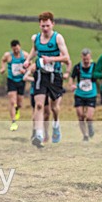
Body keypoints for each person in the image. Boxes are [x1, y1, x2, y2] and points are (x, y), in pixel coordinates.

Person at [23, 11, 71, 148]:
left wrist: (51, 59)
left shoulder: (58, 38)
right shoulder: (37, 38)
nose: (45, 28)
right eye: (43, 26)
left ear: (53, 24)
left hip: (55, 75)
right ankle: (39, 134)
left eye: (47, 26)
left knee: (54, 107)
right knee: (39, 105)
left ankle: (56, 124)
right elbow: (34, 50)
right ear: (39, 25)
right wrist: (28, 60)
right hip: (40, 74)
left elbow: (66, 58)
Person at [70, 48, 98, 141]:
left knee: (89, 117)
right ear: (81, 57)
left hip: (91, 94)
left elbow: (100, 74)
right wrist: (72, 85)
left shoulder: (95, 66)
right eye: (84, 59)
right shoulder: (77, 67)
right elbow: (72, 77)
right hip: (79, 94)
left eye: (87, 59)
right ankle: (85, 135)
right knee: (81, 116)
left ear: (90, 57)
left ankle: (90, 126)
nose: (86, 61)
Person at [0, 39, 26, 131]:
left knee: (20, 103)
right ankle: (13, 122)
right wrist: (3, 68)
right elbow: (3, 60)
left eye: (17, 49)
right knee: (12, 101)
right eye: (14, 49)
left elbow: (31, 64)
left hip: (21, 80)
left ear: (20, 46)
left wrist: (25, 70)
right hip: (11, 80)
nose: (16, 51)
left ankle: (17, 110)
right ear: (11, 48)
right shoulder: (8, 55)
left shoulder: (25, 55)